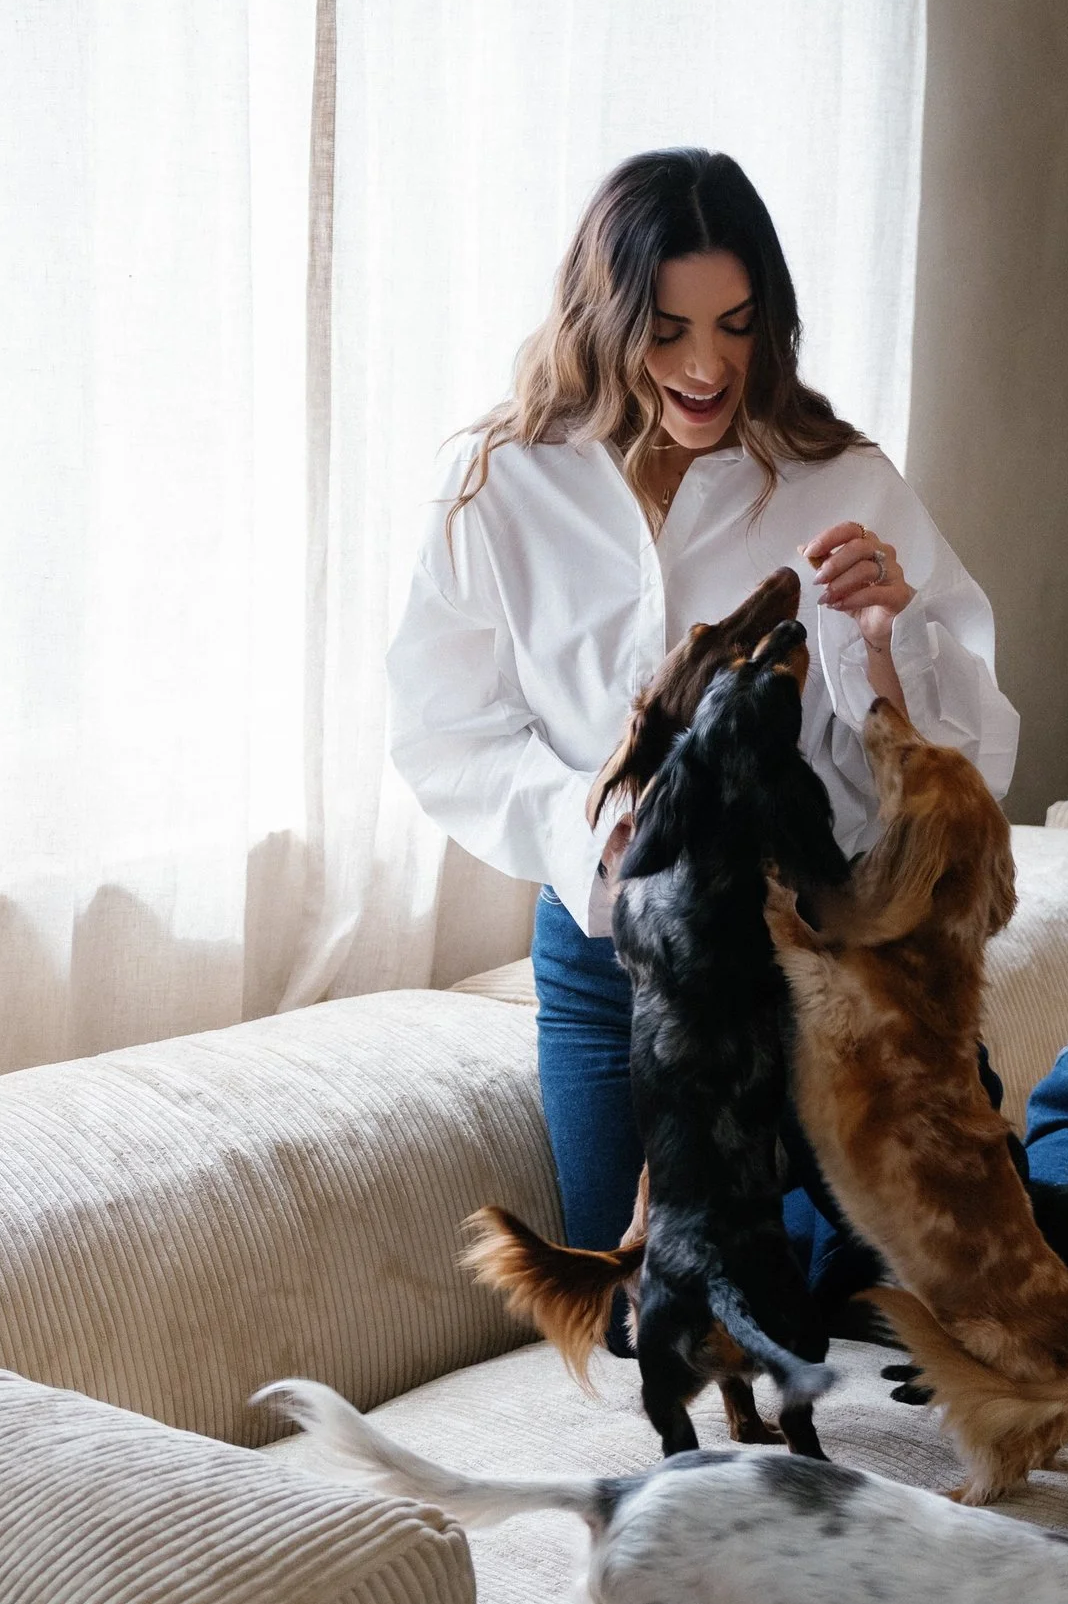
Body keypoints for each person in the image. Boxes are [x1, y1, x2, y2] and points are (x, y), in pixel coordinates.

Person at [387, 148, 1018, 1254]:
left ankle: (1029, 1160)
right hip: (611, 956)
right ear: (602, 315)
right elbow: (445, 730)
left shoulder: (841, 476)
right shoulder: (499, 484)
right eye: (668, 330)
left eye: (736, 324)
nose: (707, 366)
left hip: (824, 946)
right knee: (635, 1290)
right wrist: (595, 820)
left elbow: (966, 761)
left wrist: (886, 638)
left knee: (930, 1273)